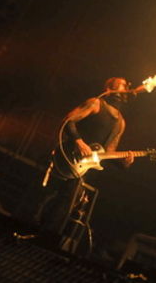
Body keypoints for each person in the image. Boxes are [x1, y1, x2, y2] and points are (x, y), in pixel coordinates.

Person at [38, 77, 145, 248]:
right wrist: (79, 142)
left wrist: (125, 161)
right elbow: (68, 121)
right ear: (109, 88)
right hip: (66, 157)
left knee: (65, 204)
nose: (126, 86)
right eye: (121, 84)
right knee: (43, 194)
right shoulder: (95, 103)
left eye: (126, 85)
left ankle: (45, 241)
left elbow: (108, 152)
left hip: (83, 169)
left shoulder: (120, 122)